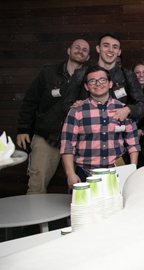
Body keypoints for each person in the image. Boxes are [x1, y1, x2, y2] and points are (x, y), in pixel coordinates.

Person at [16, 39, 90, 194]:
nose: (80, 51)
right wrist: (23, 129)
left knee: (80, 189)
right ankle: (38, 219)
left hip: (76, 142)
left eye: (84, 50)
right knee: (37, 185)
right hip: (46, 138)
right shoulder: (48, 72)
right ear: (68, 51)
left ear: (88, 57)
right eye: (77, 47)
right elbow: (30, 100)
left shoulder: (89, 78)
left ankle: (75, 219)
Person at [60, 65, 140, 188]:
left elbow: (133, 143)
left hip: (116, 171)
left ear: (110, 84)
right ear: (86, 86)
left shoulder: (123, 109)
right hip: (85, 173)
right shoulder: (76, 111)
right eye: (92, 81)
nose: (98, 84)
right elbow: (67, 145)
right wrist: (70, 173)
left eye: (102, 80)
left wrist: (132, 170)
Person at [62, 33, 144, 121]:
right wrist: (76, 107)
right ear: (98, 48)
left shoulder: (128, 75)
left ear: (119, 52)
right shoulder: (82, 73)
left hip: (117, 130)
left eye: (115, 47)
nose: (110, 50)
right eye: (106, 46)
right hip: (88, 129)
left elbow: (143, 107)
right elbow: (65, 106)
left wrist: (127, 110)